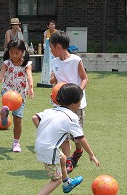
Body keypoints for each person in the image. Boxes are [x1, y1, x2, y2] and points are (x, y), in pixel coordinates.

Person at [32, 83, 99, 194]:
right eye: (80, 101)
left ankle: (67, 183)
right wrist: (91, 154)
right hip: (49, 150)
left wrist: (44, 131)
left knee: (63, 158)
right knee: (56, 180)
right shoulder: (71, 116)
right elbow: (81, 138)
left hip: (41, 145)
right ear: (74, 103)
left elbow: (35, 117)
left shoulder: (51, 110)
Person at [49, 31, 89, 174]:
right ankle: (68, 161)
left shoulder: (76, 60)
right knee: (63, 134)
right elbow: (54, 80)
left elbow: (84, 78)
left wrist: (78, 92)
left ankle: (78, 150)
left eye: (51, 48)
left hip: (76, 103)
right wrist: (53, 82)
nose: (50, 51)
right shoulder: (54, 62)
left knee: (76, 135)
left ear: (58, 46)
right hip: (60, 105)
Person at [0, 39, 34, 152]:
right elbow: (0, 77)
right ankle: (6, 110)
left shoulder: (27, 64)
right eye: (11, 52)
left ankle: (16, 143)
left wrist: (31, 87)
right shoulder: (6, 63)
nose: (13, 55)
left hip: (20, 95)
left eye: (17, 53)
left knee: (17, 120)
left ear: (23, 52)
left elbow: (29, 76)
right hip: (7, 91)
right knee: (9, 101)